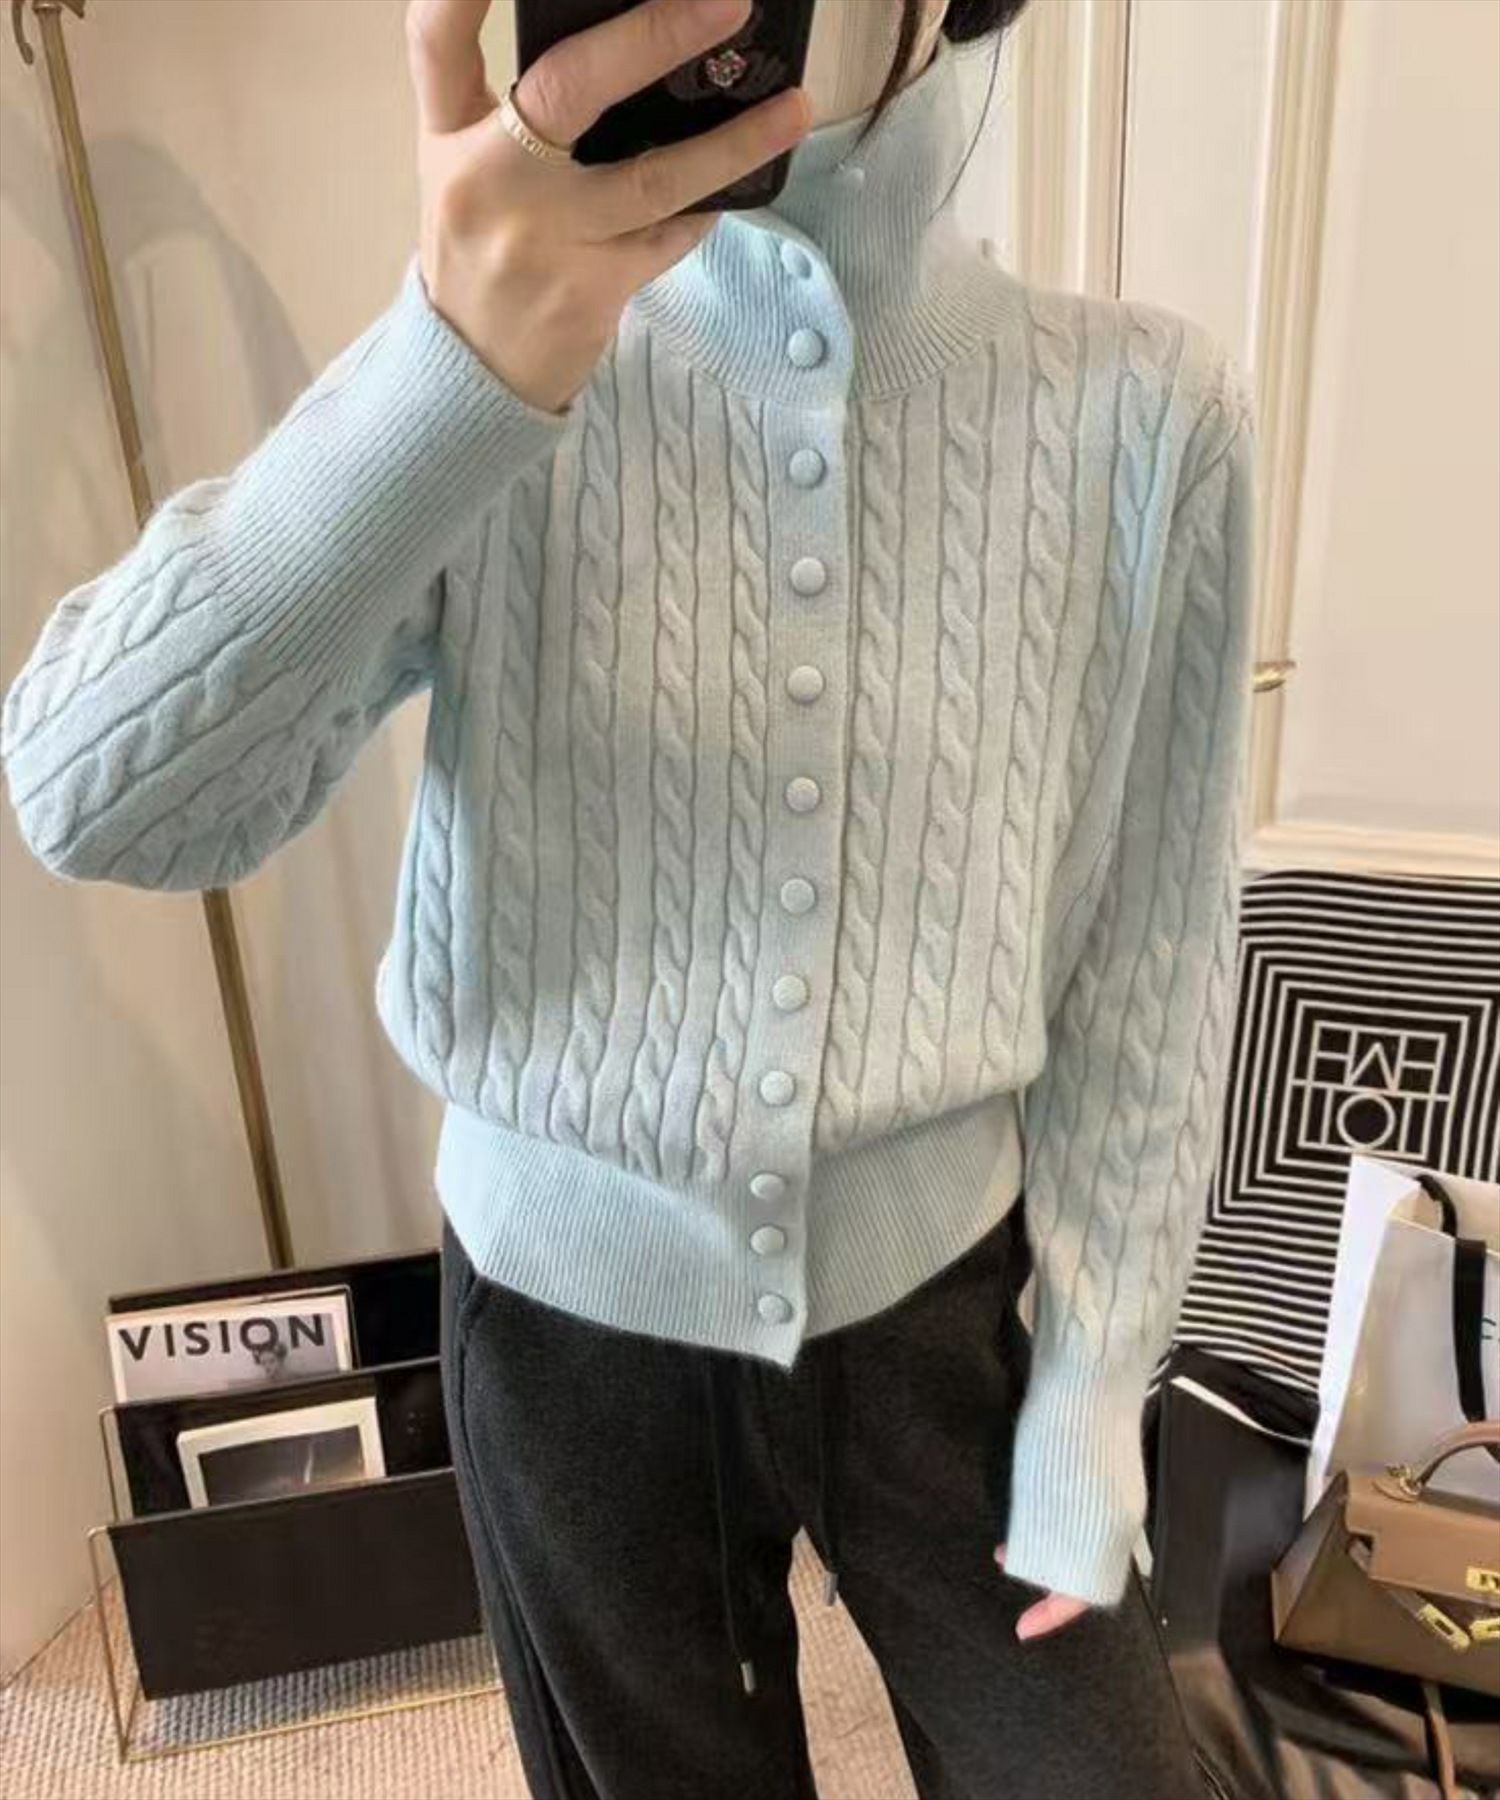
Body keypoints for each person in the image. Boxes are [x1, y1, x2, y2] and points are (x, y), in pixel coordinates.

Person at [1, 0, 1256, 1791]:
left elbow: (1150, 954)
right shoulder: (497, 375)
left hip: (941, 1313)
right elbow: (91, 794)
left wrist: (1099, 1385)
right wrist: (443, 372)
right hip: (562, 1331)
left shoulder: (1144, 415)